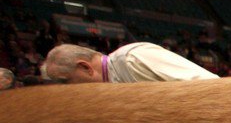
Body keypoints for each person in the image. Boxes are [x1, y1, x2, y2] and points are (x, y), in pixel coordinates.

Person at [41, 43, 218, 84]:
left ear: (85, 67)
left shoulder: (133, 58)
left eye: (67, 81)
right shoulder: (110, 82)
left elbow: (208, 84)